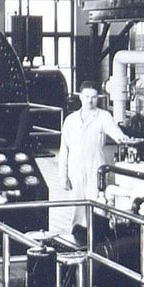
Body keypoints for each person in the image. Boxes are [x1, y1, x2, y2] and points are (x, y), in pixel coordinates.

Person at [57, 81, 130, 243]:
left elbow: (113, 130)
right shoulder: (70, 120)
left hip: (96, 168)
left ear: (98, 98)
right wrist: (63, 176)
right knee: (77, 209)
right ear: (80, 97)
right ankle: (76, 242)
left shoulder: (103, 116)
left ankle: (96, 243)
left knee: (97, 208)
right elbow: (64, 150)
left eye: (94, 97)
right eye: (87, 97)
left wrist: (123, 138)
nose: (90, 100)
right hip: (75, 170)